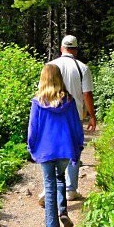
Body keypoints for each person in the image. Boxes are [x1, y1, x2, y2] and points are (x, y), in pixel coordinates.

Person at [27, 64, 85, 227]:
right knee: (60, 179)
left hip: (45, 151)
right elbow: (76, 127)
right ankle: (62, 211)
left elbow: (33, 130)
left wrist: (32, 148)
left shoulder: (38, 102)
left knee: (50, 186)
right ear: (60, 78)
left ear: (42, 79)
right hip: (64, 150)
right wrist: (78, 147)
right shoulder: (69, 101)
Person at [39, 35, 97, 205]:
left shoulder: (50, 66)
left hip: (51, 114)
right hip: (74, 114)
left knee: (53, 150)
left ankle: (47, 189)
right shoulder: (83, 68)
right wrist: (92, 116)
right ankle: (70, 189)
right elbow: (87, 94)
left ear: (61, 48)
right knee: (73, 151)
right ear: (76, 50)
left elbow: (42, 92)